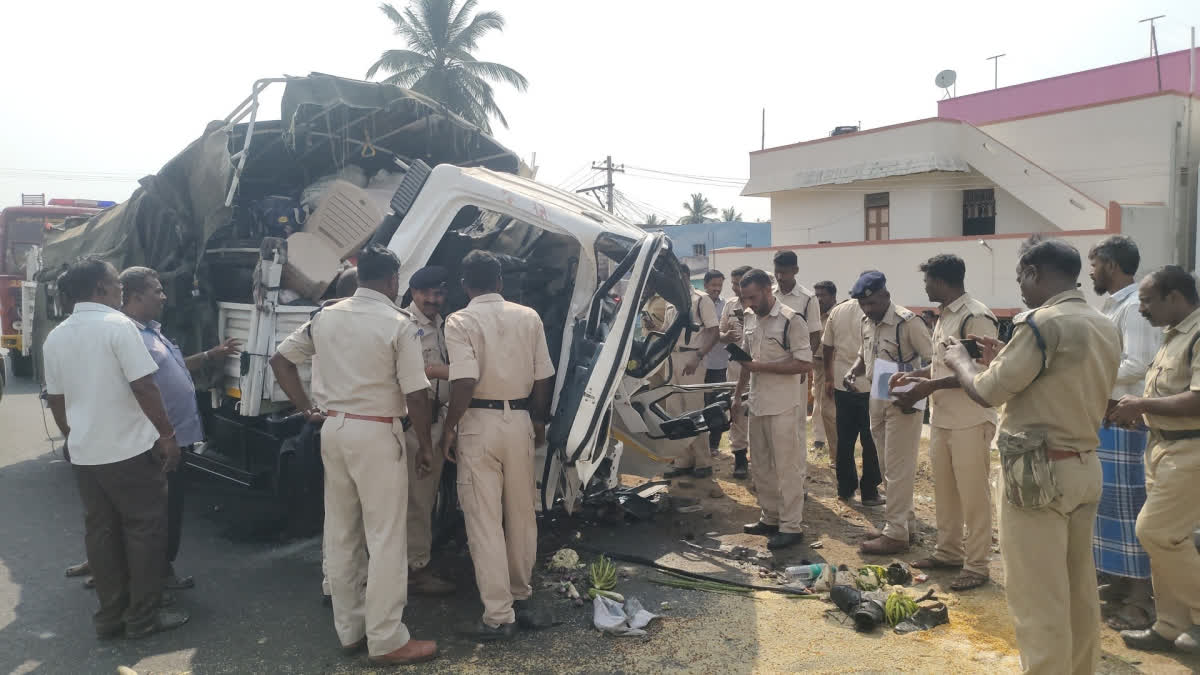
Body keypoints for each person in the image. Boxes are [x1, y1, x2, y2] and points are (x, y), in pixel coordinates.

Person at [945, 236, 1119, 674]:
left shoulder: (1041, 322)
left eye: (1021, 275)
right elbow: (1058, 382)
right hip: (1083, 465)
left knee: (1038, 596)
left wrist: (959, 362)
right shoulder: (1101, 322)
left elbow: (986, 391)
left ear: (1035, 272)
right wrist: (1005, 359)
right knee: (1078, 590)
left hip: (1038, 474)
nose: (1019, 285)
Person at [270, 245, 438, 665]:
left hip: (333, 428)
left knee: (341, 532)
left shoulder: (326, 315)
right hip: (378, 431)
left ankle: (350, 629)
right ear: (393, 281)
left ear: (361, 276)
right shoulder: (397, 324)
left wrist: (306, 408)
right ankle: (386, 639)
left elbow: (281, 360)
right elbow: (416, 393)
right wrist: (426, 445)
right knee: (385, 537)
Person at [43, 257, 188, 639]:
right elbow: (144, 386)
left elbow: (56, 399)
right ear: (100, 289)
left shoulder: (56, 336)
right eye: (115, 283)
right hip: (129, 451)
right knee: (144, 531)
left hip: (87, 454)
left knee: (102, 534)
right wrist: (167, 436)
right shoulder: (118, 327)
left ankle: (109, 617)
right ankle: (142, 618)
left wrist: (74, 435)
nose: (120, 288)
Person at [440, 250, 555, 641]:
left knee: (484, 521)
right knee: (522, 513)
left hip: (478, 422)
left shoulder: (460, 321)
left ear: (465, 284)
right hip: (519, 420)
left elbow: (465, 379)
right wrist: (537, 420)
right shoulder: (529, 316)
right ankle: (521, 596)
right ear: (501, 281)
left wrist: (449, 427)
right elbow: (543, 377)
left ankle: (497, 616)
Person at [119, 266, 240, 591]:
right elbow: (140, 388)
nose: (163, 296)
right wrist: (165, 436)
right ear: (134, 296)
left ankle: (156, 572)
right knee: (160, 513)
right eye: (156, 290)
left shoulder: (151, 331)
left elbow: (174, 366)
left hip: (173, 438)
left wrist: (211, 355)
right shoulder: (127, 335)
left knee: (167, 510)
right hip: (158, 441)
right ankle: (156, 581)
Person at [1108, 265, 1200, 653]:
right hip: (1160, 446)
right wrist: (1143, 414)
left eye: (1147, 300)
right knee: (1167, 540)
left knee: (1155, 531)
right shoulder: (1171, 336)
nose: (1141, 308)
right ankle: (1169, 625)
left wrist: (1142, 403)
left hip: (1190, 449)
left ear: (1174, 297)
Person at [892, 255, 998, 591]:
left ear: (941, 281)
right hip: (943, 419)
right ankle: (948, 551)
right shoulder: (945, 317)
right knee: (947, 492)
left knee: (974, 496)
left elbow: (979, 373)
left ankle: (977, 565)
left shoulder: (975, 317)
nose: (924, 287)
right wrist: (915, 375)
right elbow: (944, 366)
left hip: (970, 419)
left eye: (928, 280)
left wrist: (930, 385)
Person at [1086, 236, 1159, 632]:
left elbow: (1139, 362)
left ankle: (1140, 598)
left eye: (1094, 264)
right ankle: (1116, 581)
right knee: (1108, 508)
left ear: (1111, 265)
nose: (1091, 272)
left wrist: (1088, 374)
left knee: (1131, 509)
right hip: (1111, 418)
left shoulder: (1133, 308)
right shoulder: (1115, 306)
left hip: (1130, 421)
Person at [844, 271, 932, 555]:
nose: (868, 309)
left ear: (885, 295)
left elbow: (936, 360)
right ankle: (905, 525)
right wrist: (854, 369)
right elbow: (863, 353)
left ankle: (895, 534)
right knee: (885, 465)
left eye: (872, 303)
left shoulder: (909, 323)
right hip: (877, 392)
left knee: (898, 467)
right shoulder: (867, 322)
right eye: (863, 305)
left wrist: (914, 382)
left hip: (904, 398)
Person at [731, 269, 814, 550]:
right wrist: (736, 396)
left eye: (753, 297)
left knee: (787, 468)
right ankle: (770, 516)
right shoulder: (750, 318)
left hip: (784, 406)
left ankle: (791, 526)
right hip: (757, 403)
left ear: (769, 289)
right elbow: (745, 360)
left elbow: (804, 364)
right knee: (762, 466)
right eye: (745, 298)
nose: (749, 303)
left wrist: (761, 367)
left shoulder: (792, 320)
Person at [403, 266, 456, 596]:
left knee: (424, 499)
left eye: (438, 293)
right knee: (414, 501)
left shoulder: (443, 325)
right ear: (412, 292)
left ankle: (413, 564)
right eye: (427, 293)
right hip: (411, 426)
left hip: (437, 425)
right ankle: (415, 570)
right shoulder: (404, 326)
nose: (433, 299)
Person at [822, 290, 881, 504]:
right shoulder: (877, 310)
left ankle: (845, 489)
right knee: (871, 440)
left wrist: (829, 377)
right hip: (868, 385)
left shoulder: (838, 311)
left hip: (842, 382)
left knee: (844, 440)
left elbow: (827, 346)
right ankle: (870, 492)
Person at [663, 262, 720, 478]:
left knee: (694, 410)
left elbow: (714, 332)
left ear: (685, 276)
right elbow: (666, 332)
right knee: (674, 411)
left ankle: (703, 461)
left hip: (692, 357)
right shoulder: (671, 302)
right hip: (672, 357)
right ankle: (682, 460)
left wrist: (698, 356)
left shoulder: (701, 300)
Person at [719, 266, 752, 478]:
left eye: (739, 283)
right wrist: (726, 336)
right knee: (737, 412)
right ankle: (740, 459)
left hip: (758, 369)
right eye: (733, 283)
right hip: (734, 370)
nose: (735, 287)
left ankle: (760, 461)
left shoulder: (761, 305)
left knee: (758, 415)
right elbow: (719, 333)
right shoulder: (730, 305)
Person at [772, 250, 824, 356]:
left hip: (794, 363)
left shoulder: (808, 299)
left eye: (784, 272)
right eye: (777, 272)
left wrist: (803, 362)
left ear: (795, 270)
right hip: (769, 360)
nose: (779, 277)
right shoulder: (769, 295)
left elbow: (814, 337)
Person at [701, 270, 730, 457]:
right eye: (713, 285)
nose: (716, 289)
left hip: (720, 364)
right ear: (705, 285)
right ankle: (701, 444)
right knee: (701, 405)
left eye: (719, 285)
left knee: (718, 405)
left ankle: (714, 444)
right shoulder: (698, 304)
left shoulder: (726, 306)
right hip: (702, 364)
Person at [811, 281, 838, 458]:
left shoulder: (836, 314)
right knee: (817, 400)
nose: (819, 299)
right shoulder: (814, 314)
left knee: (829, 404)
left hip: (834, 364)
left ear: (833, 296)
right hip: (816, 362)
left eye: (823, 295)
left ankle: (834, 444)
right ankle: (819, 439)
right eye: (817, 295)